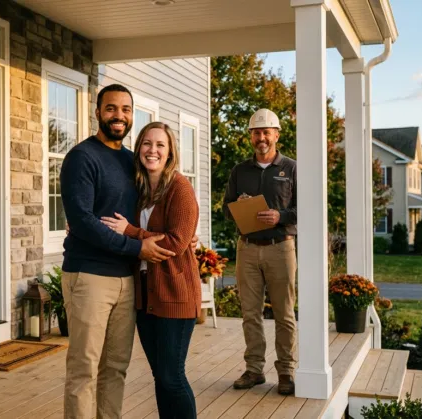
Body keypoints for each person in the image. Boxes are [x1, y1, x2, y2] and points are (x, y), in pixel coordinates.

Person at [59, 84, 195, 419]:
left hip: (128, 280)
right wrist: (138, 246)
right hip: (89, 275)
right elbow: (82, 220)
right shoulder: (81, 157)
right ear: (98, 113)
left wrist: (183, 238)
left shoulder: (129, 162)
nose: (118, 116)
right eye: (111, 108)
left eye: (125, 109)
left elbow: (159, 217)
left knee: (115, 369)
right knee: (84, 370)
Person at [101, 121, 200, 419]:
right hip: (145, 296)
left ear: (170, 153)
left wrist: (131, 232)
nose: (152, 150)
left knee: (172, 376)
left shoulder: (179, 188)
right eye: (146, 143)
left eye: (160, 145)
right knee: (160, 376)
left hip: (175, 294)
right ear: (139, 148)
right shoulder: (139, 189)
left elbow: (175, 244)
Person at [223, 108, 297, 395]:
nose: (261, 137)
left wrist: (281, 216)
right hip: (248, 249)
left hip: (281, 248)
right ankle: (254, 370)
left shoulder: (291, 168)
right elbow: (226, 210)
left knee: (284, 313)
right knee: (250, 313)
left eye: (266, 132)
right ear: (251, 137)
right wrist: (239, 206)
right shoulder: (239, 171)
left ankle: (286, 372)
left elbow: (305, 210)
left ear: (277, 134)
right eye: (256, 132)